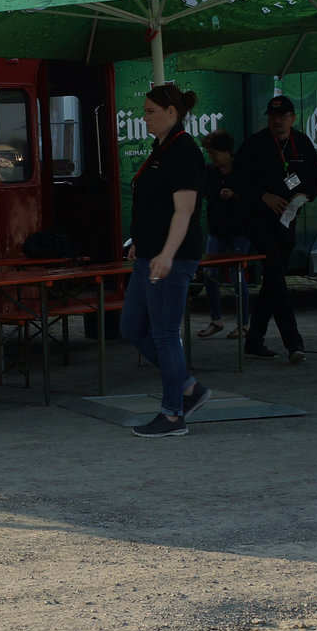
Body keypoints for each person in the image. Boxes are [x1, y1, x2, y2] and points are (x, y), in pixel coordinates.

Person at [123, 82, 211, 439]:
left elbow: (185, 210)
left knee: (163, 334)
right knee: (131, 327)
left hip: (170, 257)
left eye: (150, 112)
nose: (143, 118)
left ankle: (173, 414)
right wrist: (140, 243)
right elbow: (154, 207)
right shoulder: (162, 148)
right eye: (144, 111)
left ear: (171, 113)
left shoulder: (184, 151)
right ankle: (188, 387)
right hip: (149, 253)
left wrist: (167, 254)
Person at [233, 95, 317, 363]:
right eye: (272, 117)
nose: (277, 121)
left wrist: (304, 196)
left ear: (292, 118)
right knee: (277, 277)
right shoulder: (254, 144)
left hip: (288, 219)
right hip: (259, 221)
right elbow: (238, 179)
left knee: (273, 280)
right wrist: (263, 196)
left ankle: (254, 339)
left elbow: (316, 176)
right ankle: (294, 343)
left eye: (283, 116)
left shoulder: (302, 143)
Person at [196, 129, 251, 339]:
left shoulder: (242, 168)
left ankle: (244, 323)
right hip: (217, 230)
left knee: (238, 276)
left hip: (239, 230)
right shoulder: (210, 171)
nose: (212, 158)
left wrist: (235, 195)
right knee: (210, 274)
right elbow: (205, 193)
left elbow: (251, 195)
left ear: (225, 151)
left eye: (214, 153)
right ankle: (216, 319)